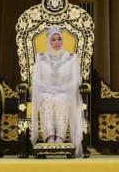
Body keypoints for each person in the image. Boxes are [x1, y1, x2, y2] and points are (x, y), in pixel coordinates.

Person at [30, 26, 84, 157]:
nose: (56, 42)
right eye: (53, 39)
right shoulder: (41, 58)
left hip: (66, 93)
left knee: (59, 101)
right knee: (48, 101)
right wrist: (49, 90)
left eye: (59, 39)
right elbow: (37, 81)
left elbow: (75, 81)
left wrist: (61, 90)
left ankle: (60, 136)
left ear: (62, 40)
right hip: (45, 93)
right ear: (49, 41)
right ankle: (49, 136)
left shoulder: (71, 58)